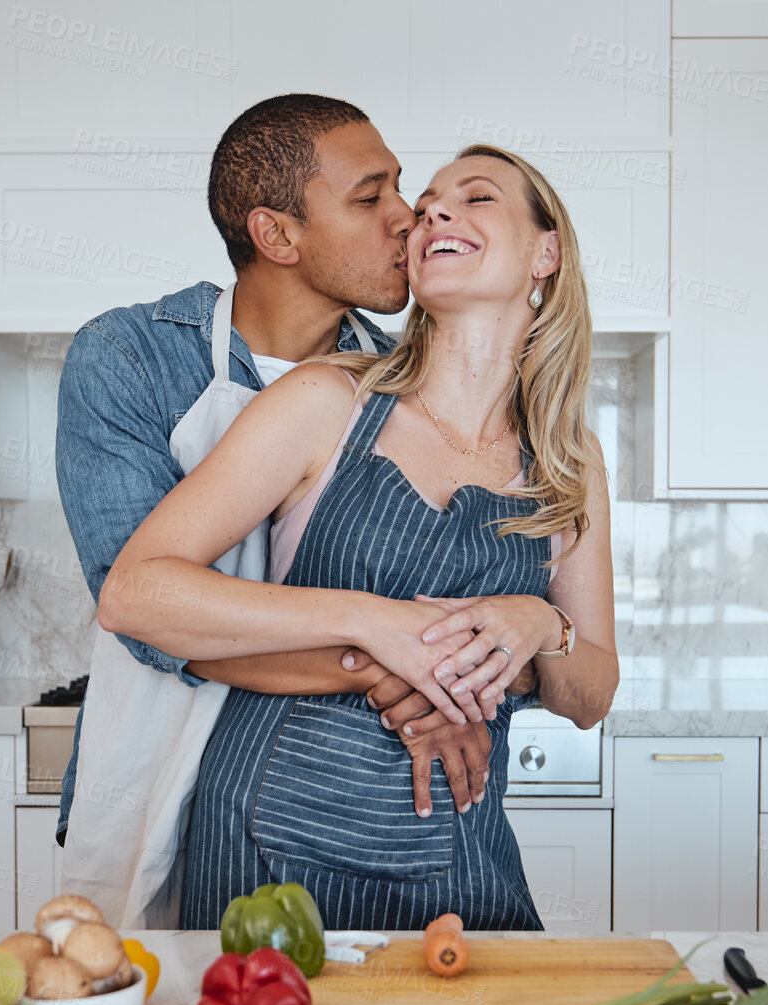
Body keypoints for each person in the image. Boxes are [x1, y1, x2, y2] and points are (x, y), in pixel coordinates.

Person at [99, 145, 618, 930]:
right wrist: (373, 624)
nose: (434, 211)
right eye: (430, 202)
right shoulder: (326, 402)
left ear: (546, 252)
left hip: (458, 842)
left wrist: (540, 623)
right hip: (266, 840)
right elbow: (135, 594)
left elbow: (590, 694)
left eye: (477, 198)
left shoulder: (568, 458)